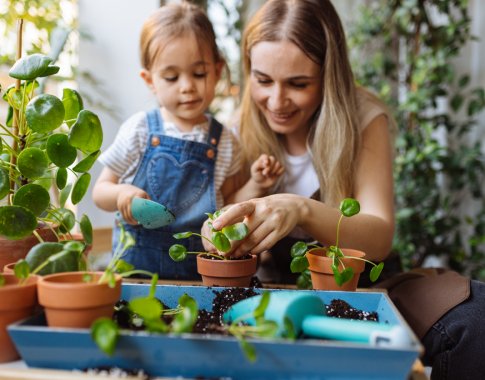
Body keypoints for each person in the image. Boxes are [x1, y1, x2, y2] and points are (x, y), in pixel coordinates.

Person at [204, 1, 485, 379]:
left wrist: (300, 209)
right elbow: (215, 226)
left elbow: (379, 238)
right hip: (274, 293)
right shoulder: (236, 129)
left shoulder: (364, 116)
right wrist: (216, 231)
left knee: (476, 317)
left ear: (329, 74)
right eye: (263, 80)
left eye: (299, 84)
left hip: (369, 287)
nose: (276, 101)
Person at [92, 2, 283, 280]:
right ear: (150, 80)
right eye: (171, 76)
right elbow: (100, 191)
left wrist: (256, 183)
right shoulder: (140, 130)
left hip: (198, 273)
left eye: (199, 74)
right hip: (134, 272)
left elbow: (227, 204)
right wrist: (122, 194)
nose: (187, 86)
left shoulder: (225, 141)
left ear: (217, 71)